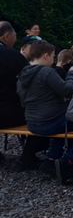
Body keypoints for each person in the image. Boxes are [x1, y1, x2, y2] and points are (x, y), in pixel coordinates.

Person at [16, 40, 73, 182]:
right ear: (46, 56)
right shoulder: (46, 72)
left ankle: (51, 159)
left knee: (64, 124)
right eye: (53, 56)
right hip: (50, 122)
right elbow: (67, 90)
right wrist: (72, 74)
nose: (54, 59)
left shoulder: (23, 74)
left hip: (32, 122)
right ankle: (67, 161)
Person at [0, 22, 31, 162]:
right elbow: (30, 80)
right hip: (8, 113)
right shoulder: (11, 55)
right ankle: (29, 156)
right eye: (14, 35)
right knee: (44, 114)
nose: (15, 38)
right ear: (6, 36)